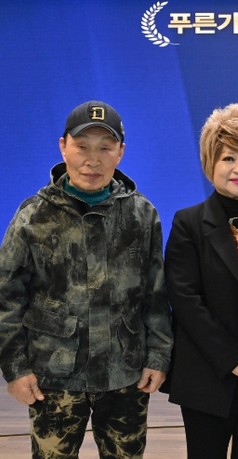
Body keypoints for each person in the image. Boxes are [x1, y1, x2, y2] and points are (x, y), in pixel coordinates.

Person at [0, 100, 173, 458]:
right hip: (53, 377)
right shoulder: (33, 216)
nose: (92, 160)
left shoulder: (142, 215)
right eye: (81, 147)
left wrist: (158, 356)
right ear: (63, 146)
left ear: (121, 152)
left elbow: (156, 295)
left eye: (105, 148)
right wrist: (15, 369)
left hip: (124, 374)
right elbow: (6, 298)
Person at [164, 103, 238, 458]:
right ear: (209, 164)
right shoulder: (188, 223)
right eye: (228, 158)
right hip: (208, 374)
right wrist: (235, 361)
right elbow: (185, 301)